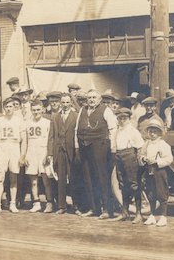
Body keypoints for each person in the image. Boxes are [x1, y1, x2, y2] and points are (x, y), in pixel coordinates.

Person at [75, 89, 117, 219]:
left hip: (100, 147)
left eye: (94, 97)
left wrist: (112, 147)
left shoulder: (106, 110)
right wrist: (77, 146)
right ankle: (94, 208)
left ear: (99, 100)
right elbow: (77, 129)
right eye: (89, 98)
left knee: (101, 177)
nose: (91, 100)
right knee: (88, 178)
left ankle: (107, 209)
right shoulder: (82, 110)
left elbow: (113, 129)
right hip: (84, 147)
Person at [0, 97, 26, 215]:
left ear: (14, 108)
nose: (9, 108)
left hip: (15, 148)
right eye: (6, 106)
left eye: (11, 106)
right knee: (0, 178)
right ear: (3, 107)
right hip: (2, 148)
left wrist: (22, 156)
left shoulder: (19, 121)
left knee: (13, 178)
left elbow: (24, 140)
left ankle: (13, 203)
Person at [47, 93, 77, 215]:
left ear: (71, 103)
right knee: (61, 179)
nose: (65, 105)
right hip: (59, 151)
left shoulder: (76, 116)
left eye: (67, 102)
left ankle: (76, 205)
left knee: (74, 178)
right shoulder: (55, 117)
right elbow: (51, 136)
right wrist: (50, 153)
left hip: (72, 151)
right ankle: (62, 206)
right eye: (63, 102)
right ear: (60, 103)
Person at [139, 119, 173, 227]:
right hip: (149, 170)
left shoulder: (163, 145)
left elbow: (169, 159)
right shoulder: (146, 144)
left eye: (155, 131)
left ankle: (163, 216)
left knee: (161, 192)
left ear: (159, 133)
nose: (152, 134)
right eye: (150, 131)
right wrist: (144, 159)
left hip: (159, 171)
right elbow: (141, 155)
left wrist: (157, 161)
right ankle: (152, 215)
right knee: (151, 192)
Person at [114, 108, 144, 223]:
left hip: (130, 156)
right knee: (122, 184)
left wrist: (139, 160)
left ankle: (138, 213)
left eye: (124, 118)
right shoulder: (118, 131)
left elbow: (140, 146)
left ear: (129, 119)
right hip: (119, 156)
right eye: (120, 118)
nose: (122, 120)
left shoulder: (133, 131)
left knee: (134, 184)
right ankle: (125, 212)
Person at [25, 99, 54, 213]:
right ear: (31, 110)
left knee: (46, 179)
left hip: (43, 151)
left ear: (42, 110)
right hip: (31, 151)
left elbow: (50, 139)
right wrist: (25, 155)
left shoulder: (47, 122)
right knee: (33, 180)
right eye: (34, 110)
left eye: (38, 110)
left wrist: (48, 154)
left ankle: (49, 202)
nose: (36, 112)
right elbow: (25, 140)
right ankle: (36, 202)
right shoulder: (27, 123)